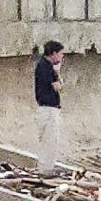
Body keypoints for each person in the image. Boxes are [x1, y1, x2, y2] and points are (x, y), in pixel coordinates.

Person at [34, 41, 65, 172]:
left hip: (48, 108)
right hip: (48, 109)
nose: (62, 57)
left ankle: (47, 169)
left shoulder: (45, 66)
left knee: (50, 140)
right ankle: (45, 171)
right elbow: (58, 86)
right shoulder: (45, 67)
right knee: (49, 140)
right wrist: (57, 72)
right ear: (54, 54)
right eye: (60, 54)